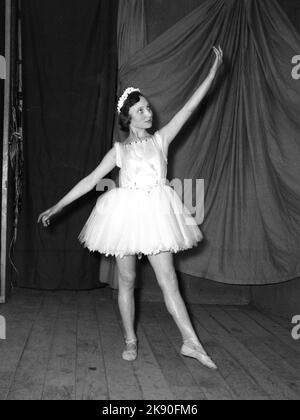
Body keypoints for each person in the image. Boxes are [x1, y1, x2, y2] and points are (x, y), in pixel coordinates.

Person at [38, 46, 223, 369]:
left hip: (156, 216)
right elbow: (89, 180)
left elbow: (190, 109)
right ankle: (130, 339)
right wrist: (58, 204)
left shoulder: (161, 140)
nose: (148, 113)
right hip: (123, 217)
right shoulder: (118, 151)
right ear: (128, 117)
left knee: (169, 281)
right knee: (126, 280)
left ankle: (191, 342)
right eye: (141, 110)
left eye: (148, 108)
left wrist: (211, 74)